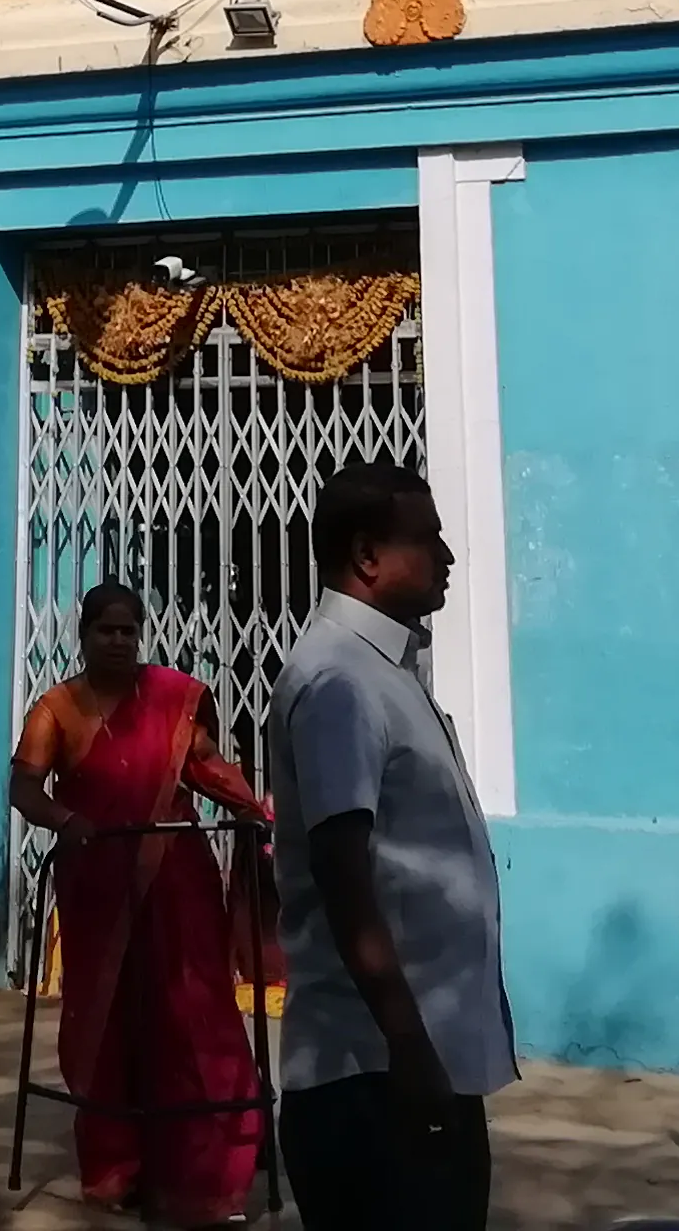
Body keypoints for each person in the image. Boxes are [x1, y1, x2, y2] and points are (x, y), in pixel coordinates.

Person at [266, 461, 513, 1231]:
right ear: (367, 556)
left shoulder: (384, 669)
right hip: (375, 1077)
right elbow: (345, 875)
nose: (447, 555)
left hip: (412, 1066)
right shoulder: (340, 681)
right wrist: (408, 1045)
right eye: (427, 538)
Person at [11, 580, 274, 1224]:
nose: (121, 641)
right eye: (108, 630)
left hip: (174, 881)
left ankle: (212, 1167)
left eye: (130, 631)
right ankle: (115, 1167)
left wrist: (252, 806)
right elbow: (23, 786)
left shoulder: (171, 698)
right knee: (105, 1021)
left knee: (190, 1014)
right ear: (84, 635)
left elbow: (206, 764)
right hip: (98, 886)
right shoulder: (56, 710)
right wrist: (65, 819)